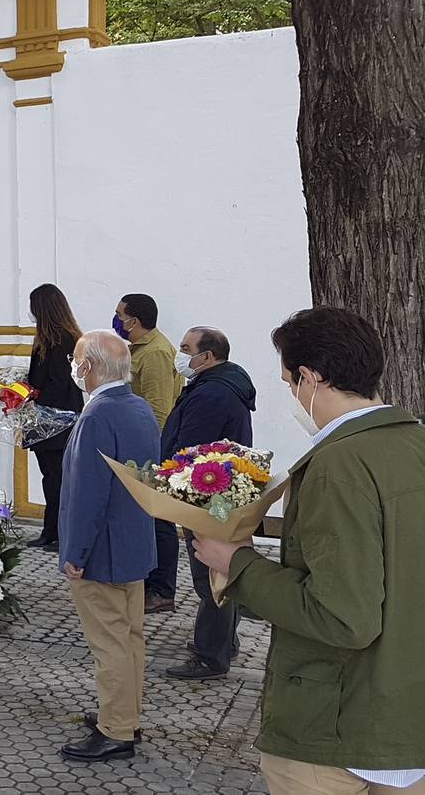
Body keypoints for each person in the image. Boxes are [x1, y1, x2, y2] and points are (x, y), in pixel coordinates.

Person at [195, 308, 425, 795]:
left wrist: (235, 564)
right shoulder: (415, 442)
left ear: (310, 377)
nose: (294, 398)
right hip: (407, 719)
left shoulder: (338, 463)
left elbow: (343, 617)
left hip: (336, 725)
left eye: (289, 383)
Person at [58, 330, 159, 763]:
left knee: (110, 644)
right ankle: (125, 714)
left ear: (90, 367)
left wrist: (74, 554)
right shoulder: (138, 407)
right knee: (130, 637)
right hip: (133, 542)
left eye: (78, 360)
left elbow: (87, 493)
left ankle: (116, 730)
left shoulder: (96, 416)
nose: (75, 367)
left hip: (101, 550)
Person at [162, 327, 254, 682]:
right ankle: (223, 642)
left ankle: (210, 657)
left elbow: (191, 451)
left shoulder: (212, 394)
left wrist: (169, 478)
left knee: (212, 579)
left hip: (207, 497)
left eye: (186, 348)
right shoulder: (216, 385)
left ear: (209, 356)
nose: (181, 354)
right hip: (216, 495)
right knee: (219, 574)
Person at [115, 293, 183, 613]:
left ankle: (162, 590)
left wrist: (151, 453)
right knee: (145, 517)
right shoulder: (139, 348)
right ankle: (145, 581)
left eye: (120, 316)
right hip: (139, 445)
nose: (117, 321)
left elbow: (159, 408)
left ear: (135, 321)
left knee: (159, 520)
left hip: (152, 448)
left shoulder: (155, 353)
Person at [25, 284, 86, 552]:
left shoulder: (62, 340)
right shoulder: (50, 338)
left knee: (60, 478)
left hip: (56, 421)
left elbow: (60, 382)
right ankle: (50, 530)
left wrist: (32, 396)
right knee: (50, 477)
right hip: (47, 420)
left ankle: (64, 535)